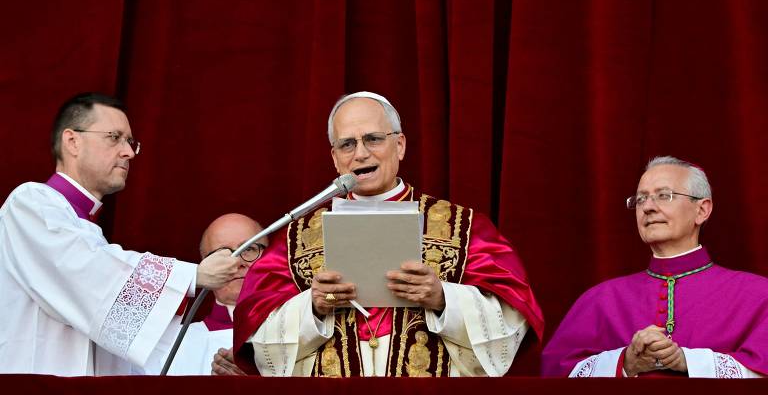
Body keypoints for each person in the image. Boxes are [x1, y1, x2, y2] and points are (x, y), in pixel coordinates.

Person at [233, 91, 544, 377]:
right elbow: (258, 333)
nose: (361, 153)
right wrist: (311, 308)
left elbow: (511, 322)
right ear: (334, 157)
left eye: (373, 139)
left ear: (400, 145)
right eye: (347, 144)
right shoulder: (296, 237)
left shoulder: (462, 227)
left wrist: (443, 299)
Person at [0, 93, 241, 375]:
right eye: (114, 137)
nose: (128, 152)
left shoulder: (86, 230)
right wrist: (192, 276)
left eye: (130, 142)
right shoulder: (30, 203)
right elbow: (86, 271)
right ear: (72, 141)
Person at [541, 156, 768, 378]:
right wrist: (625, 362)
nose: (648, 207)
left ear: (702, 210)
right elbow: (555, 373)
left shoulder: (758, 295)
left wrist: (687, 361)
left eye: (664, 195)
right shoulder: (600, 299)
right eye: (640, 199)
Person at [156, 213, 267, 375]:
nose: (238, 262)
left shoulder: (306, 327)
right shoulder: (171, 344)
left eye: (249, 249)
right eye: (222, 253)